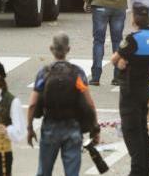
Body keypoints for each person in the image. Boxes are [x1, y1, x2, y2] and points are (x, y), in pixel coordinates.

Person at [26, 33, 99, 176]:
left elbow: (32, 104)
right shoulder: (77, 73)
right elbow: (89, 103)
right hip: (73, 127)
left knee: (44, 171)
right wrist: (94, 127)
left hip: (50, 126)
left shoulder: (44, 73)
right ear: (68, 49)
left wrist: (29, 127)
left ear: (51, 49)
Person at [112, 4, 149, 176]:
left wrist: (121, 62)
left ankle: (137, 171)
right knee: (141, 131)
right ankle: (146, 169)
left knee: (131, 131)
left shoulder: (133, 38)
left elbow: (115, 59)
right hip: (143, 88)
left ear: (134, 19)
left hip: (130, 90)